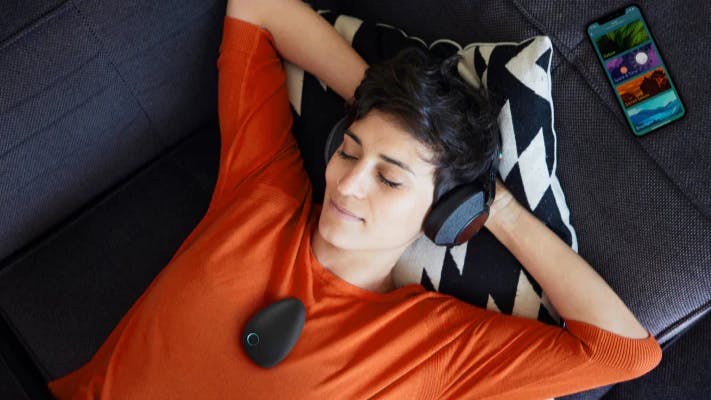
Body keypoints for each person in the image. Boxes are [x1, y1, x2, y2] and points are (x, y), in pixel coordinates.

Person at [47, 0, 662, 398]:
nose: (347, 183)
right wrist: (379, 107)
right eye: (349, 151)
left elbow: (622, 350)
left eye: (390, 178)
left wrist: (490, 205)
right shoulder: (262, 187)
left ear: (442, 209)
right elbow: (258, 7)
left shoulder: (429, 347)